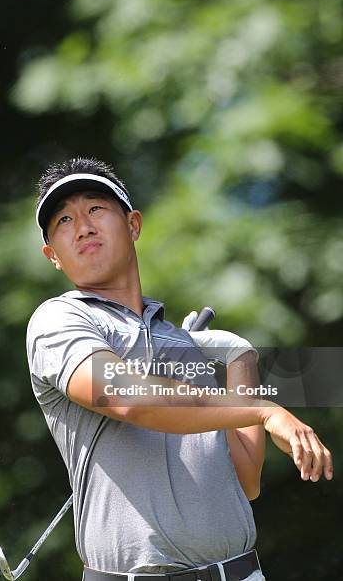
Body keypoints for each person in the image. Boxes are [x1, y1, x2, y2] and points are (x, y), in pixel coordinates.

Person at [27, 157, 333, 581]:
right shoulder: (58, 320)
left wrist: (241, 359)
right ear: (52, 255)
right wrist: (264, 410)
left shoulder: (184, 344)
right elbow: (124, 395)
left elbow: (245, 482)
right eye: (64, 220)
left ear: (133, 225)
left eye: (96, 208)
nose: (82, 226)